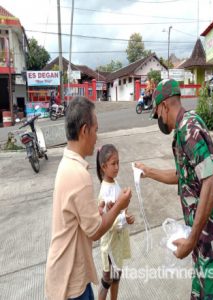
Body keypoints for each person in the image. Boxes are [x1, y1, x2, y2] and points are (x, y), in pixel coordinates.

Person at [136, 79, 213, 299]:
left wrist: (191, 240)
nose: (160, 121)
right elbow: (183, 175)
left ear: (165, 106)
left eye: (158, 114)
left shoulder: (188, 131)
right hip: (205, 248)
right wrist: (149, 171)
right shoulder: (188, 125)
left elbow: (210, 183)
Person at [45, 96, 132, 300]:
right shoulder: (79, 175)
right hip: (71, 280)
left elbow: (80, 219)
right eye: (96, 130)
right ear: (85, 130)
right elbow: (95, 231)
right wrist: (119, 205)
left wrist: (99, 210)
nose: (97, 137)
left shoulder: (67, 163)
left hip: (66, 273)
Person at [96, 144, 135, 300]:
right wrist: (124, 219)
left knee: (116, 275)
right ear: (103, 167)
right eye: (113, 164)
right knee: (107, 279)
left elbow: (119, 208)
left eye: (118, 162)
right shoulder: (104, 191)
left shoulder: (115, 183)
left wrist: (124, 210)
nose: (117, 167)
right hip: (110, 242)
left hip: (117, 241)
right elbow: (107, 223)